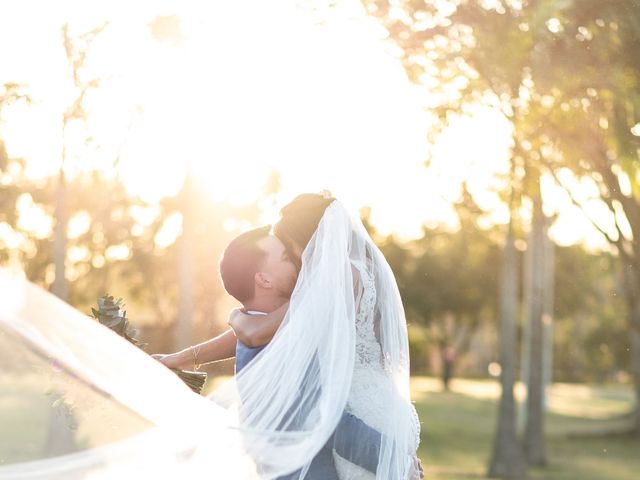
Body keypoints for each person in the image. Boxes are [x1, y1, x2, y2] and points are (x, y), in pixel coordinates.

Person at [156, 223, 391, 479]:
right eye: (287, 257)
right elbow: (326, 420)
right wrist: (391, 456)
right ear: (264, 279)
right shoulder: (267, 344)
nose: (301, 262)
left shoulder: (256, 332)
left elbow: (259, 329)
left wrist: (181, 357)